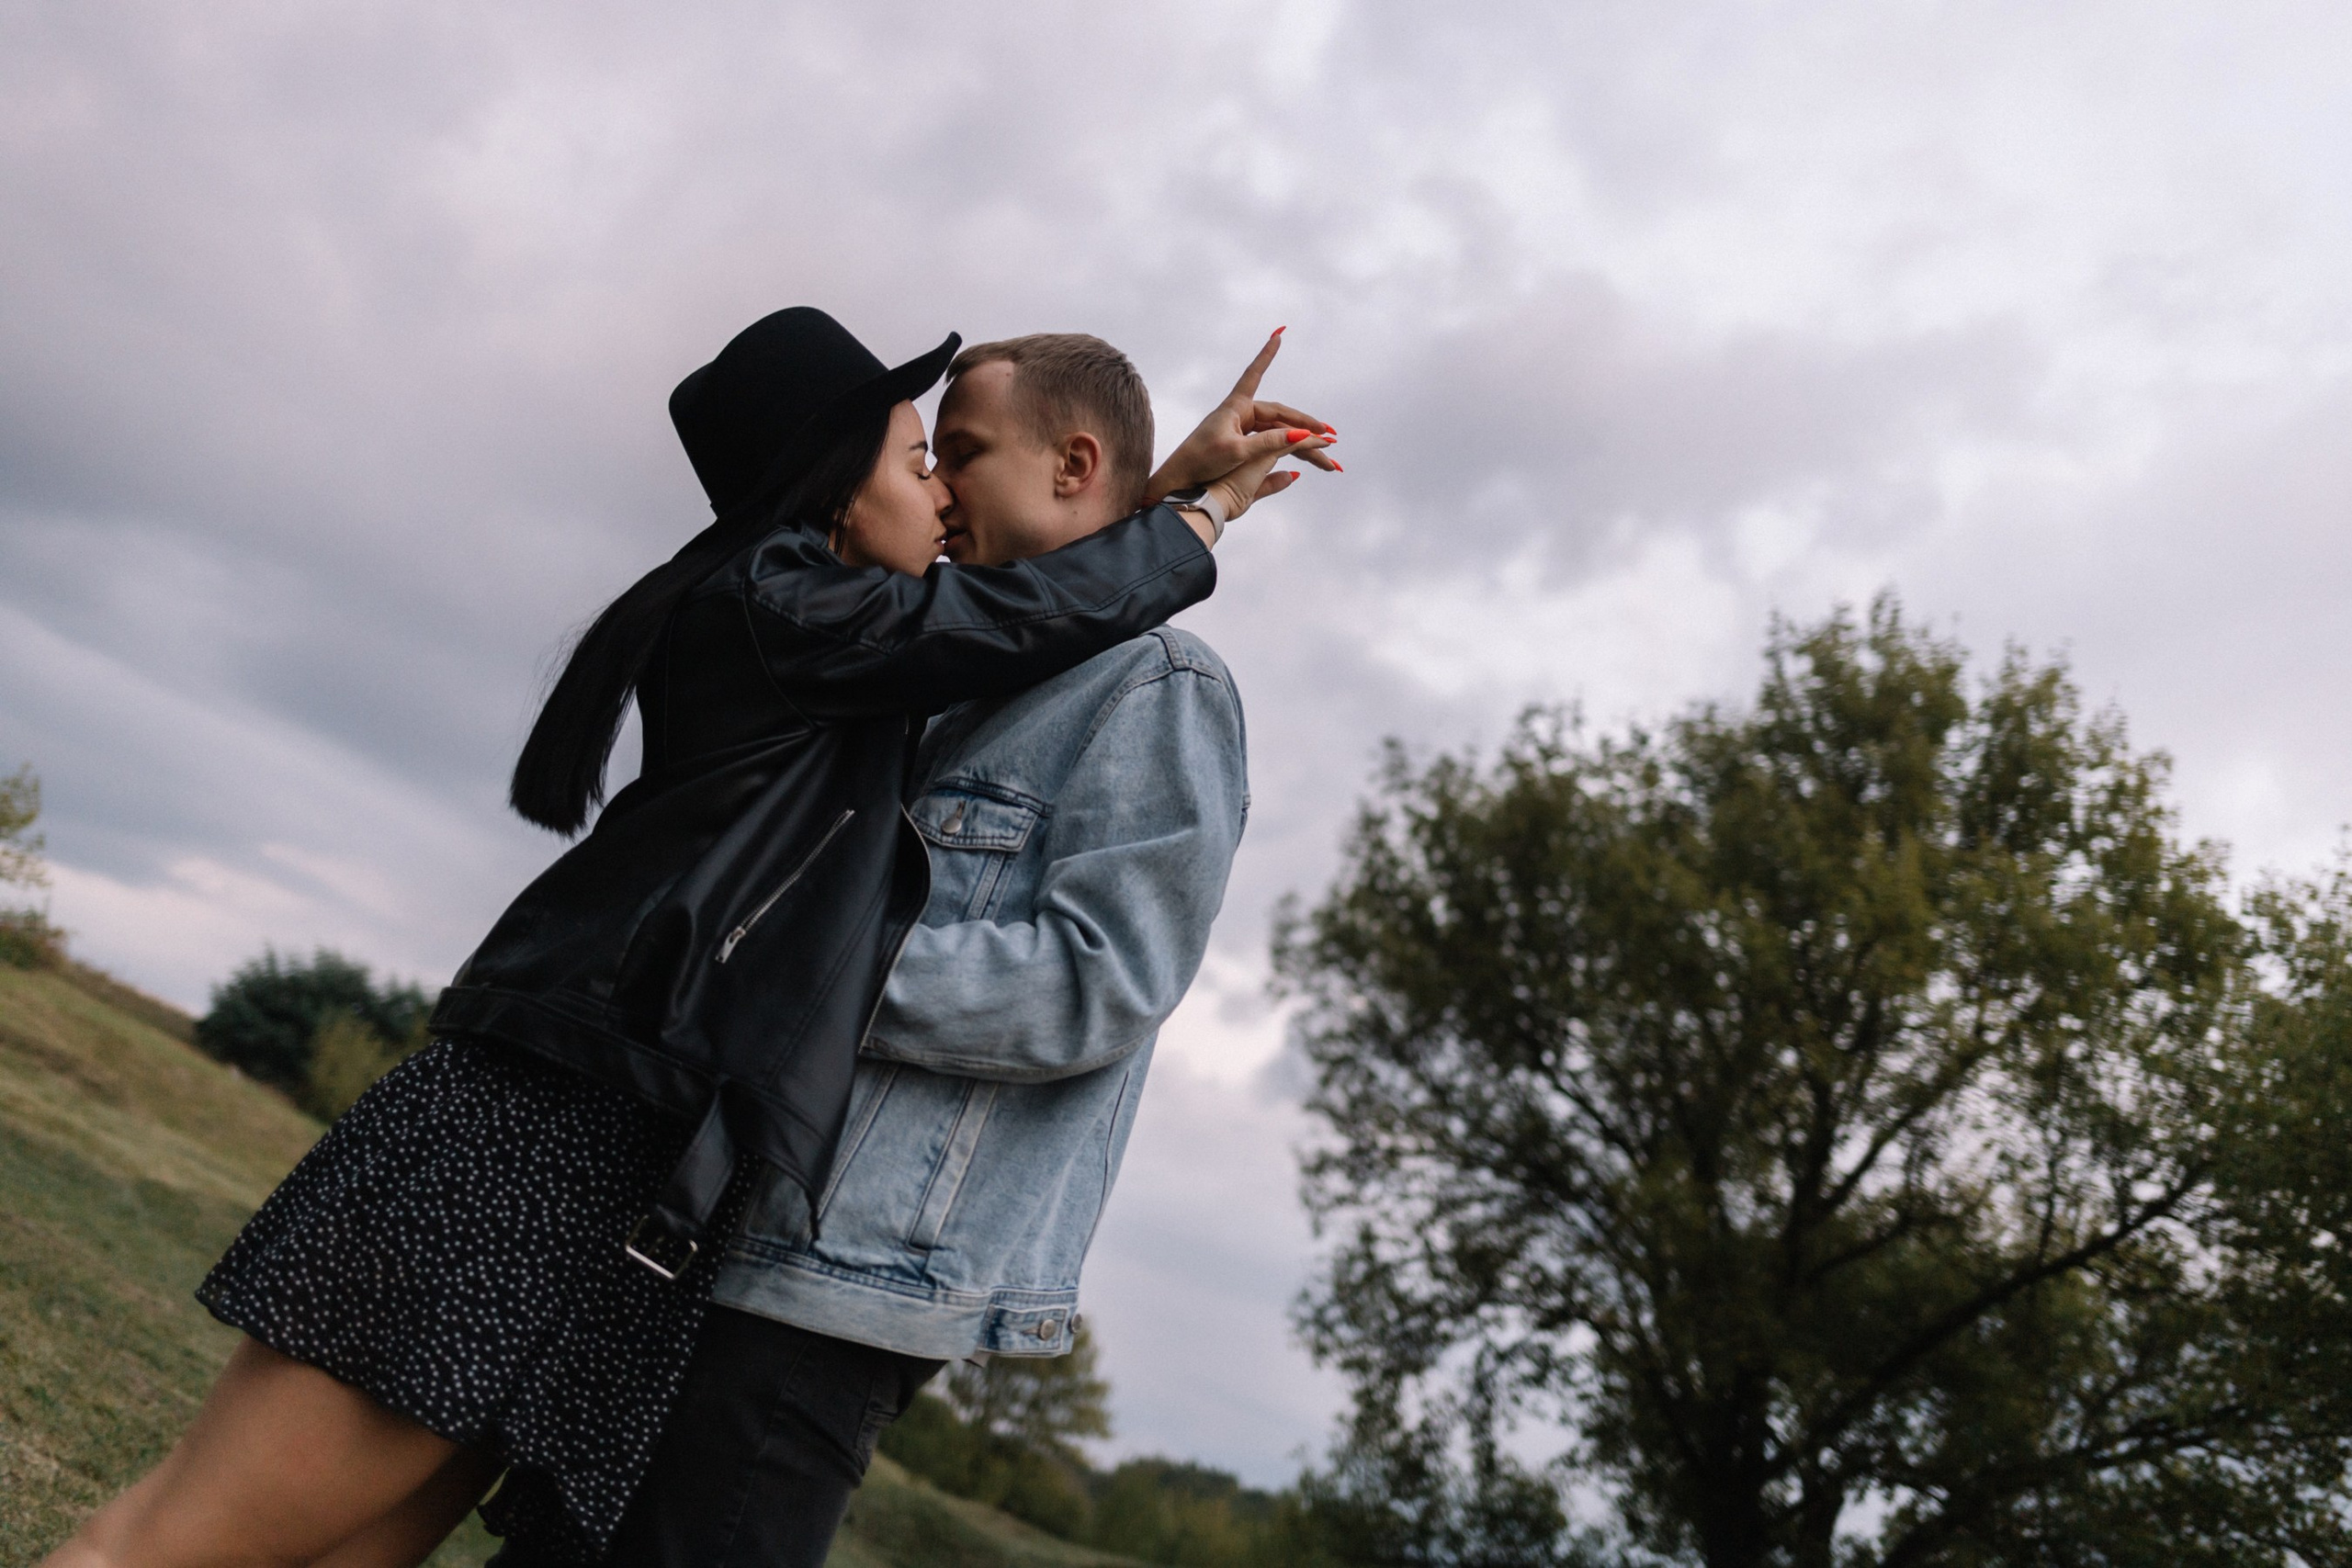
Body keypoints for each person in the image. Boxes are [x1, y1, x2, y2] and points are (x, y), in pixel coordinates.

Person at [40, 310, 1330, 1568]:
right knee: (179, 1546)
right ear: (833, 490)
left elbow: (1032, 646)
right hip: (536, 1142)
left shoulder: (917, 660)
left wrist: (1152, 504)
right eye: (917, 456)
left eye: (955, 456)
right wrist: (1186, 520)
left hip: (617, 1175)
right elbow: (1007, 626)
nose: (937, 492)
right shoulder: (796, 611)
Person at [603, 331, 1303, 1567]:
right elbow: (1052, 584)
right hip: (733, 1224)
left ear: (1075, 460)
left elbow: (1098, 982)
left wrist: (792, 969)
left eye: (961, 452)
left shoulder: (1160, 690)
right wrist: (1164, 505)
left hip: (850, 1272)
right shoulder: (945, 665)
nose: (937, 486)